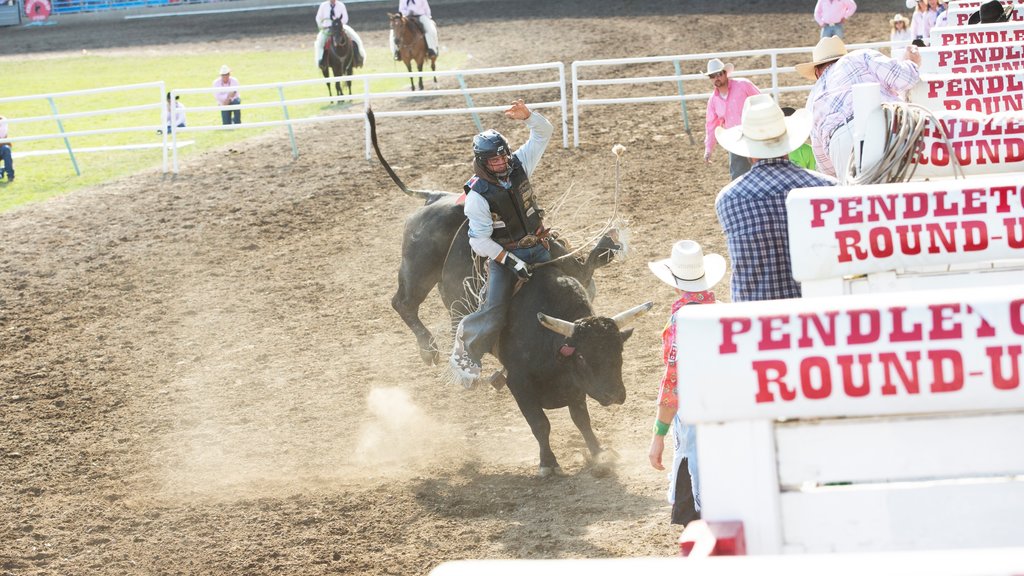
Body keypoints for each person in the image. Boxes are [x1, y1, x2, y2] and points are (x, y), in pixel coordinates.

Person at [449, 99, 553, 384]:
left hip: (539, 244)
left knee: (573, 280)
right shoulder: (477, 197)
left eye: (503, 156)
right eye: (494, 160)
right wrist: (511, 261)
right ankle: (465, 343)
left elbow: (543, 133)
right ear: (483, 163)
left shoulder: (519, 163)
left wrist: (529, 116)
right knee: (495, 312)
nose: (502, 162)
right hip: (504, 257)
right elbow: (479, 242)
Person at [715, 94, 838, 302]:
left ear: (748, 151)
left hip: (756, 319)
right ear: (789, 144)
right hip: (816, 311)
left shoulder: (728, 199)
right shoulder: (828, 188)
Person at [647, 239, 726, 527]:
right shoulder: (726, 312)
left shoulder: (681, 320)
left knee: (693, 499)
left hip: (694, 422)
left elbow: (672, 384)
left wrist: (658, 435)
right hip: (728, 422)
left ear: (675, 283)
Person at [796, 36, 921, 180]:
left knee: (857, 197)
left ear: (817, 72)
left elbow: (826, 165)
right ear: (843, 54)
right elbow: (905, 78)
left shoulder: (812, 99)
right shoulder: (858, 57)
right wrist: (911, 62)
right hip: (883, 122)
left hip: (838, 143)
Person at [702, 58, 761, 181]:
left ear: (725, 73)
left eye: (718, 74)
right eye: (712, 76)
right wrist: (708, 149)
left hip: (756, 135)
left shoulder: (743, 85)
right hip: (735, 140)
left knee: (761, 171)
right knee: (738, 176)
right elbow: (711, 126)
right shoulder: (713, 100)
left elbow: (762, 101)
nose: (716, 78)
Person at [314, 0, 366, 69]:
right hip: (328, 28)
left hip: (340, 27)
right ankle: (320, 61)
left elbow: (345, 18)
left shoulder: (341, 5)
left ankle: (359, 58)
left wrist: (338, 24)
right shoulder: (323, 5)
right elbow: (318, 18)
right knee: (320, 42)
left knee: (355, 38)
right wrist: (322, 26)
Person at [0, 114, 13, 183]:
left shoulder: (2, 120)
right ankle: (1, 171)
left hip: (1, 148)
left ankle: (10, 175)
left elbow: (2, 136)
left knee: (6, 149)